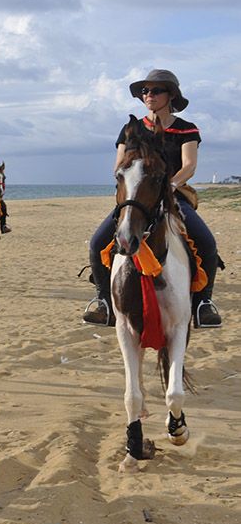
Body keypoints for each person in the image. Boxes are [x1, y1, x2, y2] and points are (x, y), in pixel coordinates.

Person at [83, 69, 222, 329]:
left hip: (172, 194)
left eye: (156, 90)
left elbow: (189, 165)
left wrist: (169, 184)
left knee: (206, 241)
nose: (149, 95)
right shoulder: (131, 130)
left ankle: (204, 303)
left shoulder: (186, 129)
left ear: (171, 95)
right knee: (97, 242)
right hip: (137, 196)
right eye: (145, 91)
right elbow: (119, 166)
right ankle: (103, 301)